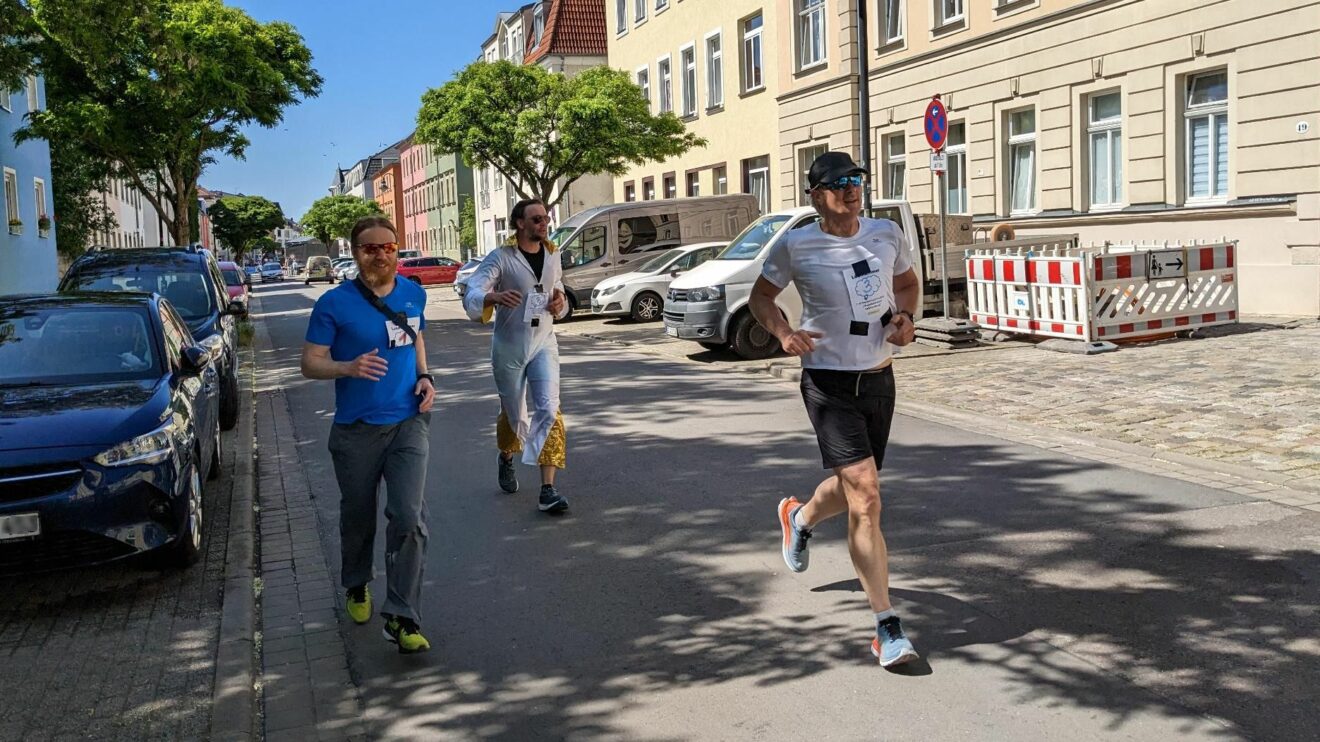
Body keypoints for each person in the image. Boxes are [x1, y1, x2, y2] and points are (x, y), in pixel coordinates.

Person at [749, 151, 922, 668]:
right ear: (816, 194)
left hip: (878, 377)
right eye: (839, 182)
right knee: (867, 497)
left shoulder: (886, 234)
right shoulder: (796, 244)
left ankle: (799, 517)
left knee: (855, 492)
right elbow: (762, 297)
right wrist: (782, 332)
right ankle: (886, 627)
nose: (852, 188)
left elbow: (907, 284)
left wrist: (908, 318)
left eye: (857, 180)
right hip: (826, 379)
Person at [299, 215, 436, 654]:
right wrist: (347, 367)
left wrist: (426, 377)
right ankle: (357, 583)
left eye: (388, 247)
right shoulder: (333, 304)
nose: (380, 255)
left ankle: (401, 615)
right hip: (356, 430)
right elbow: (310, 362)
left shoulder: (414, 293)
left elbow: (414, 339)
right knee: (358, 515)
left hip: (408, 422)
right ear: (356, 253)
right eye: (370, 248)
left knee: (408, 517)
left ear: (398, 250)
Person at [463, 199, 571, 514]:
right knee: (515, 414)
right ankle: (507, 456)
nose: (544, 223)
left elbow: (557, 286)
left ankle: (547, 489)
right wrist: (491, 296)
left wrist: (558, 301)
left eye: (546, 218)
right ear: (520, 223)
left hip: (543, 341)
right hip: (509, 345)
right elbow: (473, 291)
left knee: (549, 410)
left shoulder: (553, 254)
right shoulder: (502, 258)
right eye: (537, 219)